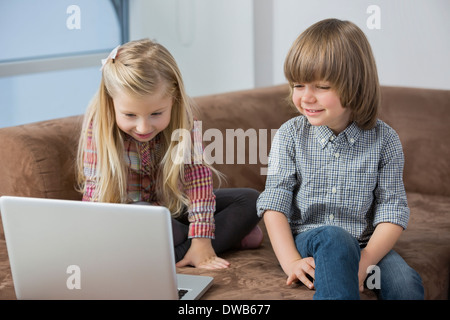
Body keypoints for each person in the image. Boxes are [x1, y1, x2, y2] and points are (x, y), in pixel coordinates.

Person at [256, 19, 424, 299]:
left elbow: (392, 210)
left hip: (364, 244)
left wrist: (366, 260)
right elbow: (274, 202)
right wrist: (290, 262)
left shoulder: (386, 140)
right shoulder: (290, 135)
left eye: (322, 86)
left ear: (355, 87)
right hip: (312, 240)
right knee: (334, 238)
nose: (306, 97)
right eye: (298, 85)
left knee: (406, 284)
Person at [76, 38, 262, 269]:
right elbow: (94, 193)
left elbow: (198, 181)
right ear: (110, 103)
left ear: (173, 99)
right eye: (130, 115)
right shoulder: (99, 126)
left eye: (156, 113)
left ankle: (198, 248)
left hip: (174, 206)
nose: (143, 127)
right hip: (135, 220)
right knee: (147, 219)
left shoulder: (183, 121)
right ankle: (220, 239)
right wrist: (92, 239)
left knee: (252, 200)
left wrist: (202, 236)